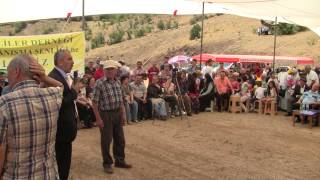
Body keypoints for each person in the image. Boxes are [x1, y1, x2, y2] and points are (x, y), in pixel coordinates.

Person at [0, 54, 64, 179]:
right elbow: (61, 86)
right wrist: (44, 77)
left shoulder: (4, 103)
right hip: (48, 175)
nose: (7, 77)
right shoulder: (53, 95)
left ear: (16, 71)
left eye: (8, 72)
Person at [92, 60, 132, 174]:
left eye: (112, 69)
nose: (110, 71)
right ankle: (107, 163)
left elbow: (121, 101)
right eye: (107, 69)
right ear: (104, 70)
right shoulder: (99, 83)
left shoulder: (118, 82)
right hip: (106, 114)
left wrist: (123, 115)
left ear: (116, 70)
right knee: (106, 140)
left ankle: (119, 160)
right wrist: (98, 119)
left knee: (120, 139)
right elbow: (94, 103)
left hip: (117, 113)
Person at [48, 49, 78, 180]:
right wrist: (74, 92)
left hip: (64, 133)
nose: (73, 62)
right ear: (60, 62)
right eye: (69, 59)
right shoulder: (53, 77)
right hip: (60, 133)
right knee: (61, 167)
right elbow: (58, 104)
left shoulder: (61, 76)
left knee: (63, 166)